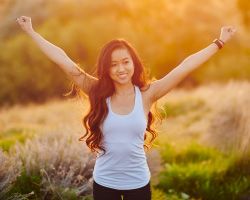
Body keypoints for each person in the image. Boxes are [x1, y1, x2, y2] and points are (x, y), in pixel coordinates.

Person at [16, 16, 236, 200]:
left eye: (125, 62)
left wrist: (219, 42)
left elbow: (185, 66)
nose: (120, 69)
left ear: (134, 63)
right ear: (106, 69)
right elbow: (63, 60)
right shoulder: (97, 91)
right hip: (104, 183)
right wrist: (32, 32)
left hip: (138, 183)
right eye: (113, 64)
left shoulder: (148, 94)